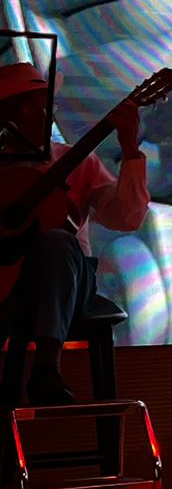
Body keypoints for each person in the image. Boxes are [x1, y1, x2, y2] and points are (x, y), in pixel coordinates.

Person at [0, 61, 148, 406]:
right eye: (38, 107)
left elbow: (126, 218)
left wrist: (130, 150)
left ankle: (47, 367)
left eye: (48, 106)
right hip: (7, 284)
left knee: (56, 240)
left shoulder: (77, 161)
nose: (47, 115)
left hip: (69, 283)